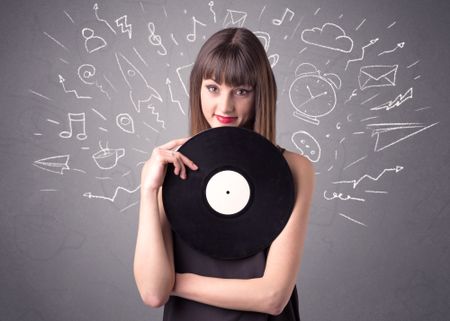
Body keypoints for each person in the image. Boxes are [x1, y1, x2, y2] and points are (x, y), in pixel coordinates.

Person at [134, 27, 315, 320]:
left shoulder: (295, 169)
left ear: (260, 94)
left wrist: (173, 282)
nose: (225, 106)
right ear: (198, 89)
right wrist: (148, 190)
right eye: (213, 88)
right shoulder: (169, 169)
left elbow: (272, 297)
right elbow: (153, 293)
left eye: (241, 91)